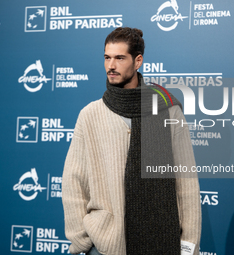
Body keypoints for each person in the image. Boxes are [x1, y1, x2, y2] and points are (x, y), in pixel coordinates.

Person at [62, 27, 201, 255]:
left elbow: (186, 182)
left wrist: (188, 246)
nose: (111, 66)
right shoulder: (90, 115)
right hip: (106, 246)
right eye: (107, 58)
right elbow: (73, 182)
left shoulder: (168, 110)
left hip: (162, 243)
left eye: (119, 58)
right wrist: (82, 240)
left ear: (138, 61)